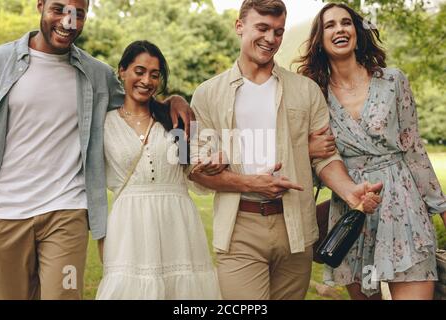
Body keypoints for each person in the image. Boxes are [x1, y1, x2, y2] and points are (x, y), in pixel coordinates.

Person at [0, 0, 191, 300]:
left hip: (66, 212)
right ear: (40, 5)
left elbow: (137, 98)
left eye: (78, 13)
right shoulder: (1, 62)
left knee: (64, 294)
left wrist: (173, 100)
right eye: (58, 9)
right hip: (5, 213)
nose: (67, 21)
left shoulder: (96, 74)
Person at [188, 0, 382, 300]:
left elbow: (326, 156)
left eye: (278, 32)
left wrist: (349, 191)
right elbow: (196, 171)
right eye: (262, 28)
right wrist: (251, 183)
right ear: (240, 26)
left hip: (296, 227)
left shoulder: (306, 91)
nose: (270, 39)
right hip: (239, 228)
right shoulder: (207, 94)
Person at [298, 3, 446, 300]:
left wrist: (441, 208)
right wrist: (306, 149)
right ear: (320, 39)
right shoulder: (314, 94)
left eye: (346, 23)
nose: (340, 29)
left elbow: (414, 150)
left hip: (403, 204)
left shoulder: (392, 80)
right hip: (353, 210)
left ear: (357, 32)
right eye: (330, 25)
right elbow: (317, 162)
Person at [95, 40, 220, 300]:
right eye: (139, 71)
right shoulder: (104, 124)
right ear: (122, 71)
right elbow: (92, 184)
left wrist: (212, 162)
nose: (146, 80)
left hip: (178, 222)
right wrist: (100, 236)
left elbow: (194, 169)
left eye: (154, 74)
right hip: (129, 225)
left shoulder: (174, 119)